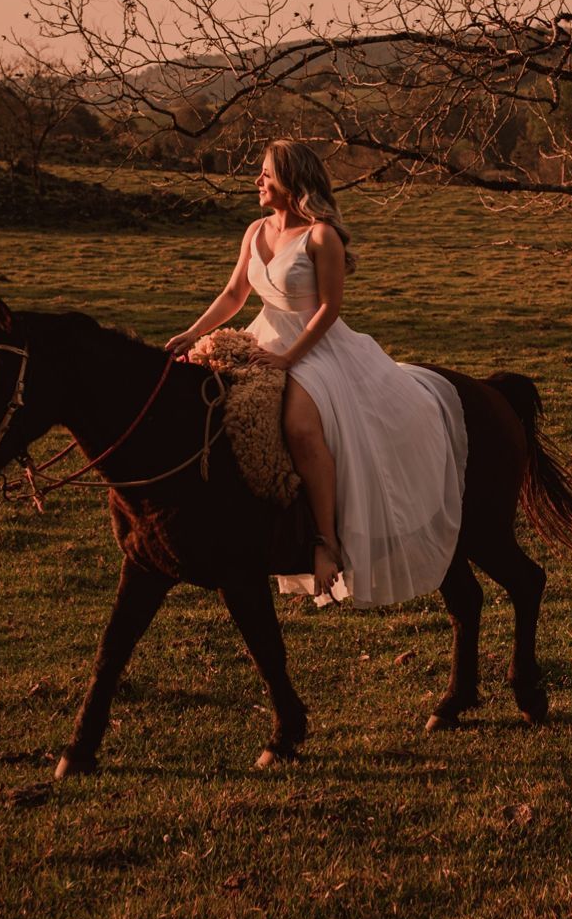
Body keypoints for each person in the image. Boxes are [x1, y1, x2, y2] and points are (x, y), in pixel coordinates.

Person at [164, 140, 466, 606]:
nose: (257, 182)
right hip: (262, 337)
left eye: (265, 174)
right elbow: (233, 295)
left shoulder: (321, 236)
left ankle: (325, 543)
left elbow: (329, 309)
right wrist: (191, 333)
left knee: (300, 430)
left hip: (315, 347)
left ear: (289, 179)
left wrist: (290, 358)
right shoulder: (255, 231)